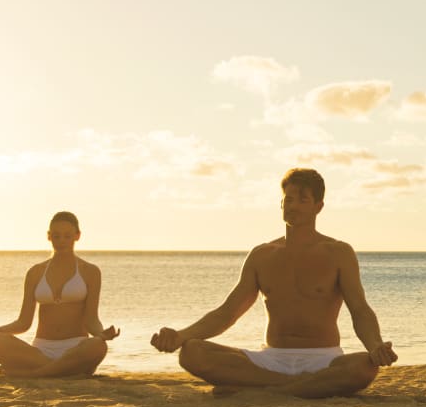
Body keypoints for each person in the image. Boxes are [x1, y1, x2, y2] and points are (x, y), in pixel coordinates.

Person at [151, 168, 396, 395]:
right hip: (271, 360)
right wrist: (181, 336)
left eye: (303, 200)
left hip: (324, 359)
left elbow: (360, 310)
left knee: (364, 366)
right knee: (192, 353)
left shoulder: (339, 253)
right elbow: (227, 313)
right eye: (288, 199)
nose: (294, 206)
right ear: (281, 204)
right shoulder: (262, 254)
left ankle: (265, 390)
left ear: (318, 207)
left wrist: (375, 346)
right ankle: (295, 388)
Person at [0, 211, 119, 377]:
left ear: (77, 236)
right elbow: (23, 322)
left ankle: (32, 374)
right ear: (49, 236)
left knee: (98, 346)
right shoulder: (35, 272)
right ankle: (60, 371)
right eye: (56, 236)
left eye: (67, 236)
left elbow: (91, 320)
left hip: (76, 349)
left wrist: (101, 333)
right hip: (40, 351)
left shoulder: (90, 271)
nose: (61, 241)